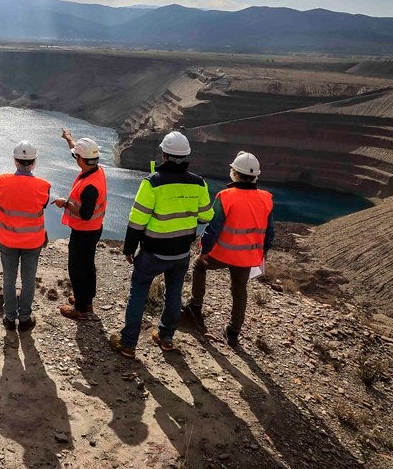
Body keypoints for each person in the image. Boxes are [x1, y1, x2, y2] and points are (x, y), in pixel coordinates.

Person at [110, 131, 214, 358]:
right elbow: (206, 217)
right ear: (186, 156)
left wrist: (129, 248)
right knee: (174, 293)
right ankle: (166, 337)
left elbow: (137, 221)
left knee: (138, 292)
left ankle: (128, 343)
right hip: (181, 253)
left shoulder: (152, 183)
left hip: (153, 252)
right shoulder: (199, 183)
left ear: (164, 155)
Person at [187, 150, 274, 348]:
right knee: (239, 290)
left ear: (235, 174)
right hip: (248, 257)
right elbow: (270, 233)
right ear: (255, 176)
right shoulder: (266, 199)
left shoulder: (226, 196)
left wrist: (204, 251)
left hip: (222, 254)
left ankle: (195, 306)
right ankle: (233, 332)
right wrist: (264, 253)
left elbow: (213, 228)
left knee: (199, 267)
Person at [0, 140, 51, 332]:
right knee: (28, 279)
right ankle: (25, 319)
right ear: (34, 162)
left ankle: (10, 318)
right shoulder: (43, 186)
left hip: (8, 240)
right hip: (32, 242)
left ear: (15, 161)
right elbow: (41, 205)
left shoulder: (1, 181)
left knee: (9, 279)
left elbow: (1, 194)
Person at [54, 128, 106, 320]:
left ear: (81, 161)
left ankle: (82, 309)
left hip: (85, 230)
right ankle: (86, 299)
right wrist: (68, 138)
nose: (75, 158)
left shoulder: (90, 186)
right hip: (94, 230)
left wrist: (65, 204)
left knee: (77, 268)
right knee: (87, 264)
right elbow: (77, 149)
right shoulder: (96, 169)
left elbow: (85, 214)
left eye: (77, 157)